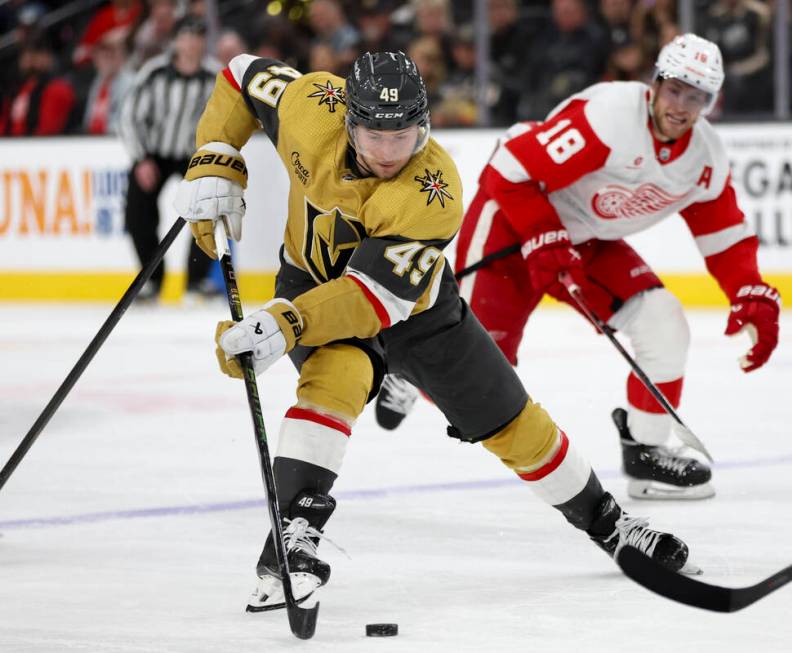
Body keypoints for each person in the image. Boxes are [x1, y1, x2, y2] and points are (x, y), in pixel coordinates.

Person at [173, 50, 693, 610]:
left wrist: (286, 323)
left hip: (414, 310)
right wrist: (217, 156)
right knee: (336, 375)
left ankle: (607, 523)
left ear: (424, 125)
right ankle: (293, 535)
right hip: (312, 281)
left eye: (404, 134)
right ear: (347, 120)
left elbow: (370, 301)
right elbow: (241, 73)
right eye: (375, 134)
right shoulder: (311, 106)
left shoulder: (433, 191)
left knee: (510, 420)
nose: (390, 151)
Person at [376, 34, 781, 501]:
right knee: (480, 371)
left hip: (585, 242)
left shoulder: (703, 158)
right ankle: (407, 372)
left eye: (697, 97)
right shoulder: (609, 118)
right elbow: (509, 168)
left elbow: (724, 234)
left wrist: (749, 292)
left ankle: (647, 452)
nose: (681, 106)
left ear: (711, 102)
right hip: (513, 219)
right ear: (655, 84)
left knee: (665, 324)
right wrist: (544, 236)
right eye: (675, 90)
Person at [119, 15, 222, 302]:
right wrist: (140, 159)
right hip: (155, 153)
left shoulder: (216, 75)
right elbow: (129, 117)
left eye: (198, 37)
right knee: (137, 212)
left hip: (195, 155)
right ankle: (152, 280)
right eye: (186, 37)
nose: (191, 44)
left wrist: (214, 158)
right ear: (175, 40)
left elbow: (228, 119)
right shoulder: (155, 72)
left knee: (209, 207)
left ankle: (196, 280)